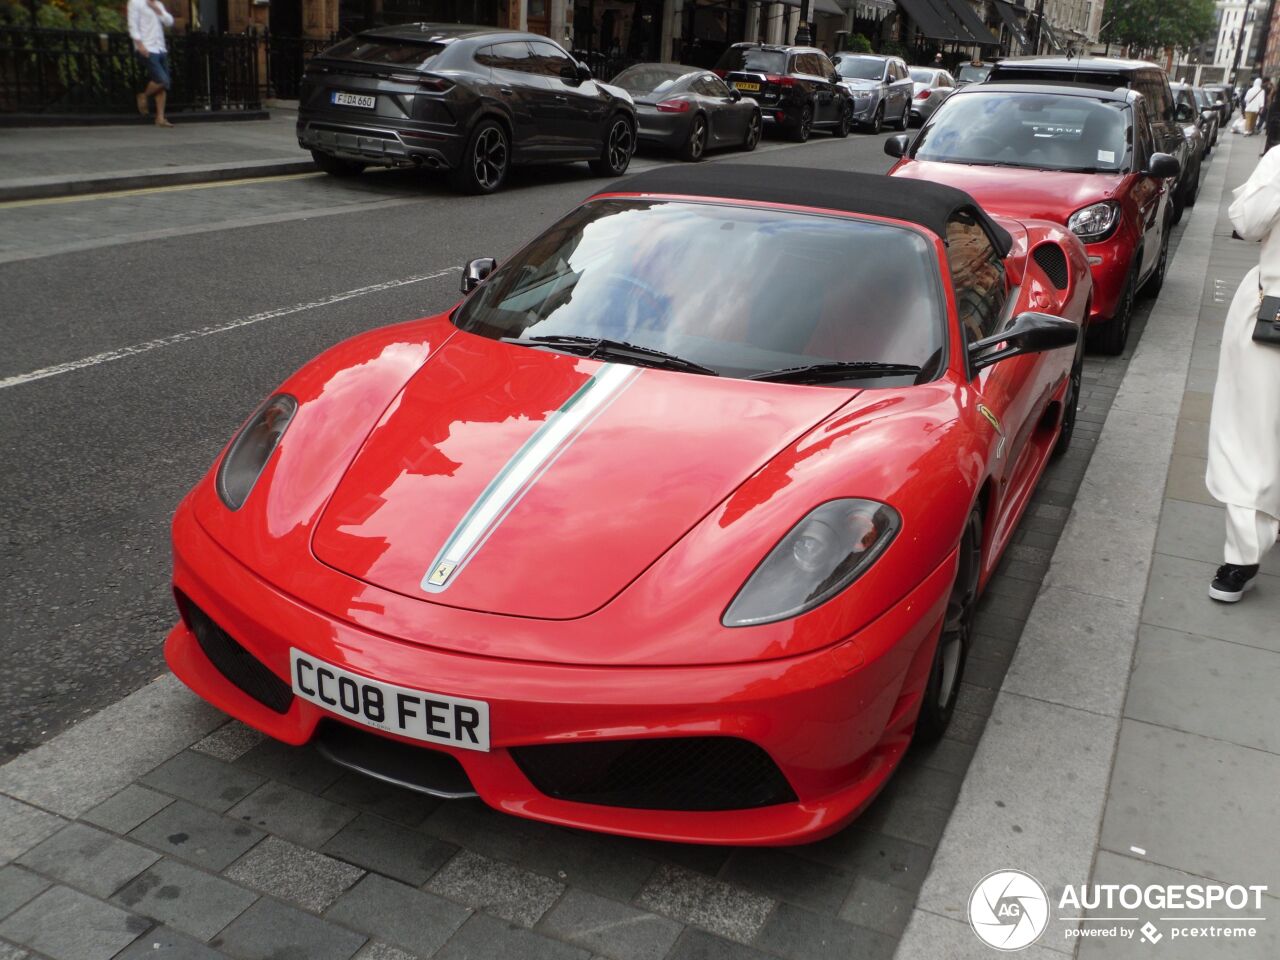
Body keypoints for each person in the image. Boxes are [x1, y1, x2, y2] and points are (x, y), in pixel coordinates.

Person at [1205, 147, 1280, 602]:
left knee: (1247, 435)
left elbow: (1248, 222)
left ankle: (1243, 556)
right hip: (1272, 313)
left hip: (1272, 313)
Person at [128, 0, 175, 127]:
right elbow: (133, 25)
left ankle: (160, 118)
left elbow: (169, 22)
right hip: (147, 48)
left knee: (162, 85)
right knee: (163, 80)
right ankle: (143, 96)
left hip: (160, 48)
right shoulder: (136, 3)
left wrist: (158, 10)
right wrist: (139, 45)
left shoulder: (158, 5)